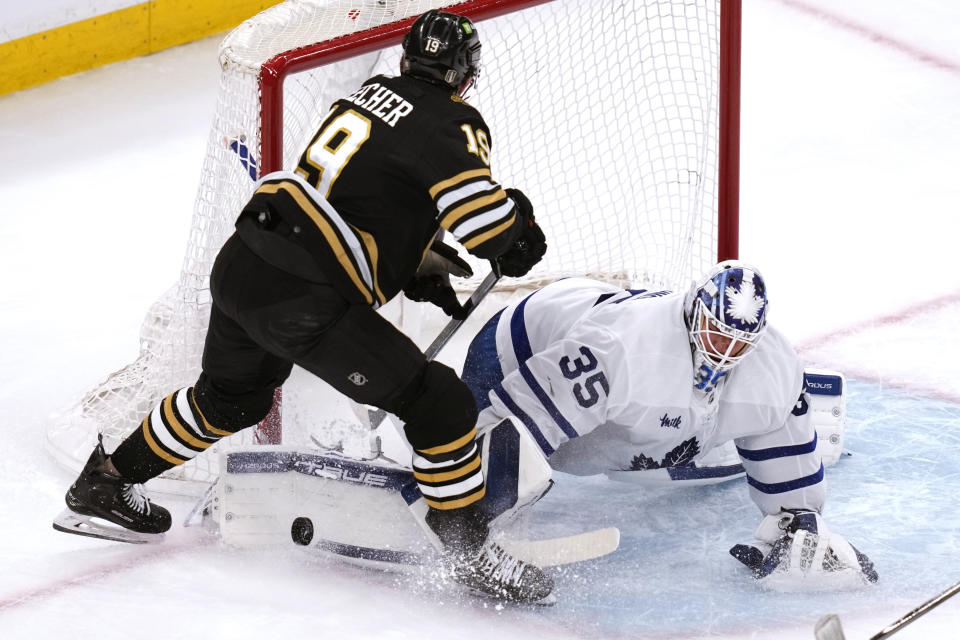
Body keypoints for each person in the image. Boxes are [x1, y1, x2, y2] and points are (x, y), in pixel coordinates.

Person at [53, 9, 551, 604]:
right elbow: (486, 226)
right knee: (439, 403)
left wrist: (410, 263)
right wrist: (517, 229)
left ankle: (108, 480)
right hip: (303, 291)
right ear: (465, 71)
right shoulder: (453, 120)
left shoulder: (368, 96)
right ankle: (468, 552)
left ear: (407, 59)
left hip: (244, 261)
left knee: (230, 399)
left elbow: (356, 198)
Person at [460, 261, 879, 589]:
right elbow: (518, 417)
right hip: (514, 351)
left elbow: (785, 439)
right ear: (694, 311)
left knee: (756, 411)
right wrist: (467, 503)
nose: (726, 351)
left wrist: (799, 518)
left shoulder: (774, 365)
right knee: (508, 464)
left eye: (740, 342)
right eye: (717, 333)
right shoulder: (624, 350)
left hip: (613, 371)